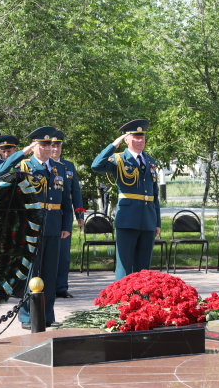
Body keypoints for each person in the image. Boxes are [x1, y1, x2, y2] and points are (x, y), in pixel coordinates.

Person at [0, 126, 72, 328]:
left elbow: (66, 199)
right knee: (30, 272)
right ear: (35, 146)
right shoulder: (24, 165)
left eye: (50, 144)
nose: (48, 148)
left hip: (54, 226)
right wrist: (23, 152)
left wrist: (66, 224)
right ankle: (27, 315)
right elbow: (2, 170)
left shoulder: (59, 168)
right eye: (43, 144)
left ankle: (47, 315)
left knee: (50, 272)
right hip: (30, 226)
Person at [91, 119, 161, 280]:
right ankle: (122, 302)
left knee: (144, 266)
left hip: (148, 218)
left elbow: (154, 194)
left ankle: (142, 300)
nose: (140, 140)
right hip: (128, 217)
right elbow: (96, 165)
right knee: (124, 264)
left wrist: (156, 222)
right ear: (127, 139)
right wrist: (113, 145)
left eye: (142, 137)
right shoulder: (119, 159)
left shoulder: (150, 161)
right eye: (135, 137)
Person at [51, 130, 84, 298]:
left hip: (65, 214)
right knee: (49, 254)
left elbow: (75, 192)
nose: (55, 149)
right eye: (52, 146)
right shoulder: (46, 165)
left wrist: (80, 215)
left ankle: (61, 287)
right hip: (49, 213)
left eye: (58, 146)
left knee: (64, 254)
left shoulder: (68, 166)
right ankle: (47, 286)